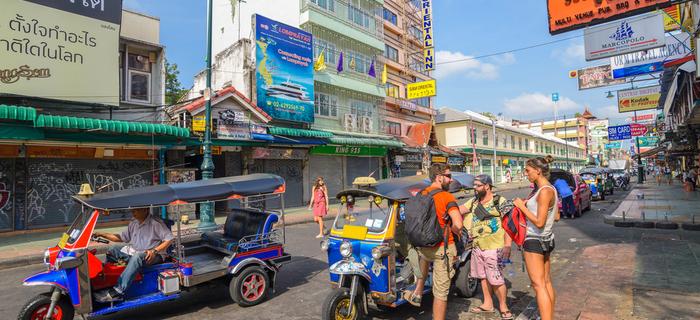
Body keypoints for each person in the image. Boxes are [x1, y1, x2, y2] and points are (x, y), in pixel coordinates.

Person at [412, 163, 463, 320]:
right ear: (439, 177)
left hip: (423, 247)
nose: (451, 180)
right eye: (448, 176)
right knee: (441, 291)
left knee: (425, 261)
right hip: (442, 248)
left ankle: (418, 291)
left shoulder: (421, 194)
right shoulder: (446, 196)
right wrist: (455, 231)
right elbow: (458, 224)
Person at [460, 174, 513, 320]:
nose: (475, 188)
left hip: (495, 247)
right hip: (477, 247)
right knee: (483, 277)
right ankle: (488, 304)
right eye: (474, 185)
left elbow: (509, 224)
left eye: (478, 185)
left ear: (487, 186)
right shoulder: (474, 201)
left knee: (496, 279)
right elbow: (459, 210)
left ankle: (503, 306)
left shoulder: (499, 201)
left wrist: (508, 245)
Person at [93, 208, 174, 302]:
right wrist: (102, 234)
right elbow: (121, 238)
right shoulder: (134, 222)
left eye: (136, 210)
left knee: (137, 257)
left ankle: (118, 291)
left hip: (153, 255)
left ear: (145, 210)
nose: (133, 213)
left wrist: (154, 251)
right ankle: (109, 282)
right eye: (132, 211)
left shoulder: (155, 223)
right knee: (113, 249)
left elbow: (169, 238)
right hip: (135, 252)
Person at [513, 156, 558, 320]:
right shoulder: (549, 189)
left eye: (528, 170)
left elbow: (539, 222)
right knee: (546, 282)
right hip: (547, 239)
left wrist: (521, 207)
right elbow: (557, 216)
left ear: (538, 171)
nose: (526, 174)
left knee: (539, 286)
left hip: (535, 240)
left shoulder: (544, 191)